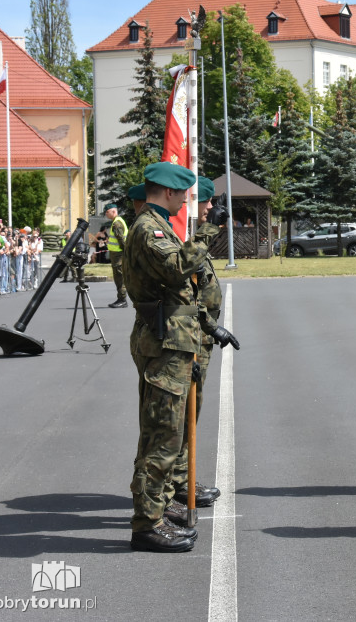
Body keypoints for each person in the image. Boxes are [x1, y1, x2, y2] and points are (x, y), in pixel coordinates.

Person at [123, 161, 215, 553]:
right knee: (162, 436)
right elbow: (178, 269)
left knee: (169, 434)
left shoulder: (155, 225)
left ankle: (157, 510)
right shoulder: (149, 229)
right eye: (183, 194)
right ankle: (147, 523)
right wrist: (208, 233)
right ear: (168, 191)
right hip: (163, 345)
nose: (185, 202)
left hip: (174, 342)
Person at [166, 177, 238, 519]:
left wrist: (212, 328)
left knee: (188, 417)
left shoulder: (188, 239)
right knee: (179, 419)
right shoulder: (182, 241)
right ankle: (175, 486)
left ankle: (181, 481)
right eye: (205, 202)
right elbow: (184, 277)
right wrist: (210, 229)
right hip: (186, 336)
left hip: (200, 333)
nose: (209, 208)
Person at [105, 203, 129, 308]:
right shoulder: (117, 222)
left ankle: (122, 299)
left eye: (107, 212)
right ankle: (120, 298)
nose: (106, 214)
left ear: (113, 211)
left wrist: (125, 253)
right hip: (117, 255)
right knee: (119, 277)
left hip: (119, 255)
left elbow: (122, 241)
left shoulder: (117, 224)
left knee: (119, 277)